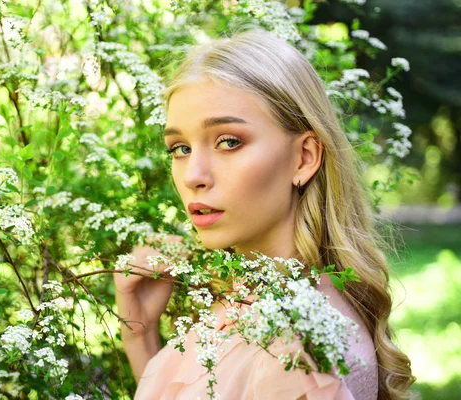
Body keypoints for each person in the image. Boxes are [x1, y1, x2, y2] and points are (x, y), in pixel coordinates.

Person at [113, 28, 416, 400]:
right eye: (179, 148)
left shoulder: (293, 349)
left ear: (304, 157)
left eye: (229, 142)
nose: (193, 175)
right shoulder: (258, 304)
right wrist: (140, 334)